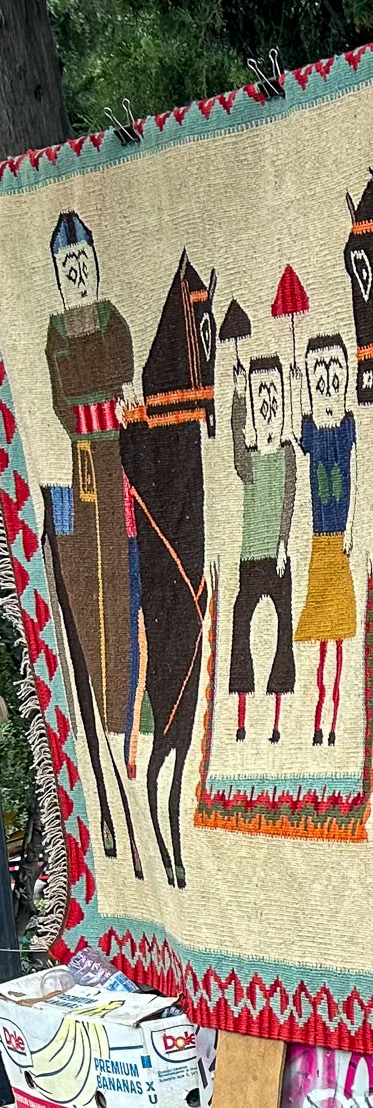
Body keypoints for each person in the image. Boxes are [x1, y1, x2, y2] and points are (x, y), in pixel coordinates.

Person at [44, 211, 137, 743]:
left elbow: (116, 375)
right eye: (68, 267)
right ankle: (102, 704)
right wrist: (93, 399)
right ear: (59, 276)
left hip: (117, 455)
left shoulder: (112, 319)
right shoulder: (57, 330)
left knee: (126, 560)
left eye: (83, 262)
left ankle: (129, 696)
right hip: (84, 464)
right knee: (89, 570)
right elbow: (65, 398)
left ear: (94, 265)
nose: (77, 274)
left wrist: (95, 396)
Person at [228, 354, 297, 743]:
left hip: (277, 555)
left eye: (273, 395)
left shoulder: (286, 454)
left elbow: (289, 499)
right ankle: (240, 716)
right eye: (260, 397)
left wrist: (284, 543)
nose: (267, 404)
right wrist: (238, 394)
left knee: (282, 628)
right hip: (249, 556)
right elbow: (237, 440)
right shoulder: (250, 461)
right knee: (243, 621)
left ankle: (277, 720)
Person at [292, 334, 357, 747]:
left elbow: (357, 474)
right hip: (320, 543)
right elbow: (300, 433)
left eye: (336, 374)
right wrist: (297, 382)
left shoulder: (347, 426)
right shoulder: (313, 430)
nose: (328, 384)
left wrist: (352, 526)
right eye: (320, 378)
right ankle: (320, 724)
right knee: (321, 645)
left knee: (337, 640)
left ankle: (336, 722)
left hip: (339, 543)